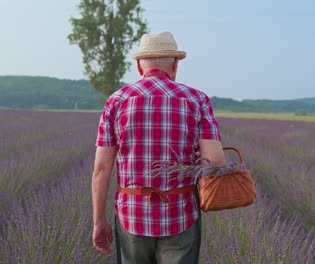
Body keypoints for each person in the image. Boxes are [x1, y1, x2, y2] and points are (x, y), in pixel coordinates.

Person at [92, 31, 225, 263]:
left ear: (138, 65)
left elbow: (101, 169)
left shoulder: (117, 101)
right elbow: (215, 163)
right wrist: (197, 158)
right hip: (181, 213)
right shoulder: (197, 99)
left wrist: (98, 221)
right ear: (174, 63)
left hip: (131, 215)